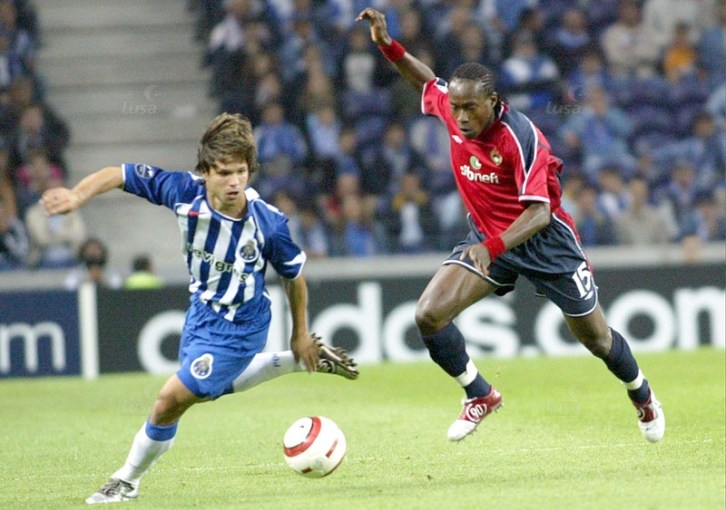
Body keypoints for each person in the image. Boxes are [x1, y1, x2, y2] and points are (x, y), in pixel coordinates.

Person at [357, 7, 664, 443]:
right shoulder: (452, 109)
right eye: (456, 107)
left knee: (597, 339)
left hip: (544, 242)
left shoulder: (520, 136)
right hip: (489, 239)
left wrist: (493, 247)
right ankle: (479, 393)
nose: (461, 117)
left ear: (493, 102)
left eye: (470, 108)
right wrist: (388, 45)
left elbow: (539, 213)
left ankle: (642, 394)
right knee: (428, 315)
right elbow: (425, 82)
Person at [40, 112, 359, 504]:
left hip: (243, 326)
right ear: (205, 171)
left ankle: (126, 481)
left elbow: (294, 278)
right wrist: (77, 196)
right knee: (205, 392)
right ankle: (293, 363)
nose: (234, 182)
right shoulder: (183, 192)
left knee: (169, 399)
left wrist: (300, 333)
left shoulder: (268, 224)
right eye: (224, 172)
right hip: (202, 314)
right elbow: (120, 173)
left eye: (241, 172)